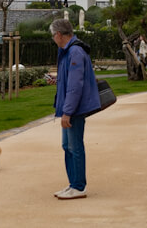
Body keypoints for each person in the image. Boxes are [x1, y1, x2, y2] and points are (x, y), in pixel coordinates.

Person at [50, 18, 100, 200]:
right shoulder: (67, 51)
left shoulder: (75, 52)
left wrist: (67, 112)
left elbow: (75, 86)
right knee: (67, 146)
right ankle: (73, 184)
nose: (53, 39)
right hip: (71, 107)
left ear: (58, 34)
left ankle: (78, 186)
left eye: (53, 35)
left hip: (75, 109)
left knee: (74, 146)